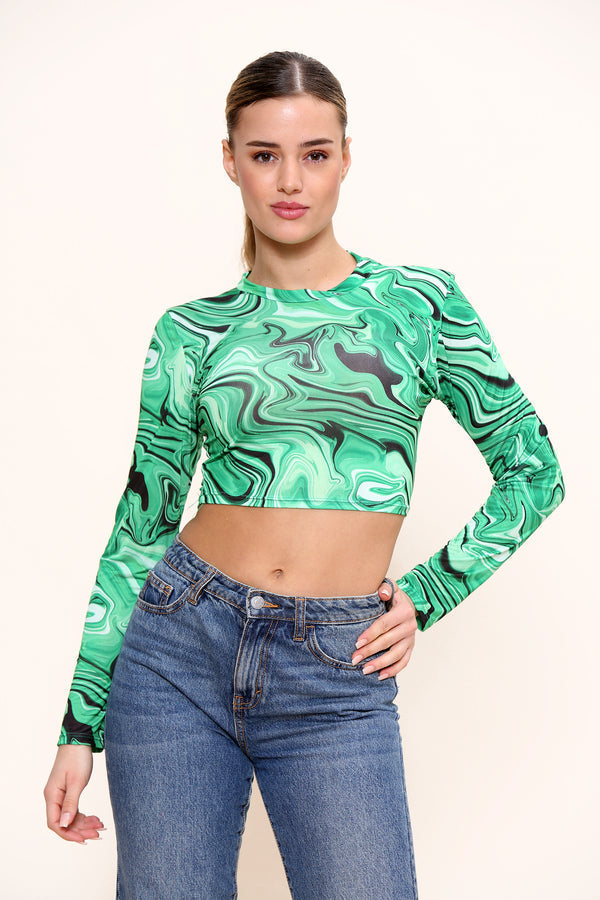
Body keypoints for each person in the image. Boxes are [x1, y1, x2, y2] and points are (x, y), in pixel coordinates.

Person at [43, 50, 565, 899]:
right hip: (177, 651)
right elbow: (141, 529)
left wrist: (430, 591)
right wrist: (79, 723)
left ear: (345, 159)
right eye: (265, 154)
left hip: (336, 665)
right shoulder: (190, 333)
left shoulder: (419, 305)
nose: (291, 181)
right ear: (230, 161)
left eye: (315, 154)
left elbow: (534, 471)